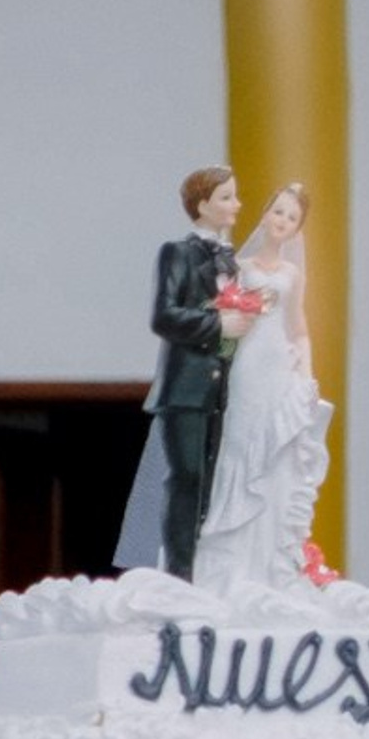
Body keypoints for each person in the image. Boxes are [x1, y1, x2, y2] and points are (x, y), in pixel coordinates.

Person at [191, 182, 331, 591]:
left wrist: (305, 373)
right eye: (278, 211)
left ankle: (266, 559)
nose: (282, 221)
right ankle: (226, 551)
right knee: (239, 443)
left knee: (276, 458)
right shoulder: (239, 264)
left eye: (291, 217)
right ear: (266, 213)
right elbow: (220, 319)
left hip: (278, 368)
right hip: (247, 364)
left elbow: (298, 327)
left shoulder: (292, 274)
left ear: (297, 227)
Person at [115, 165, 250, 579]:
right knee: (185, 477)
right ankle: (178, 572)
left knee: (211, 482)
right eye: (226, 197)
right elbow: (165, 315)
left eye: (235, 196)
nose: (236, 205)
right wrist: (216, 326)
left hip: (220, 387)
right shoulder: (178, 252)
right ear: (203, 204)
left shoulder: (232, 261)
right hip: (186, 386)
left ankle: (204, 569)